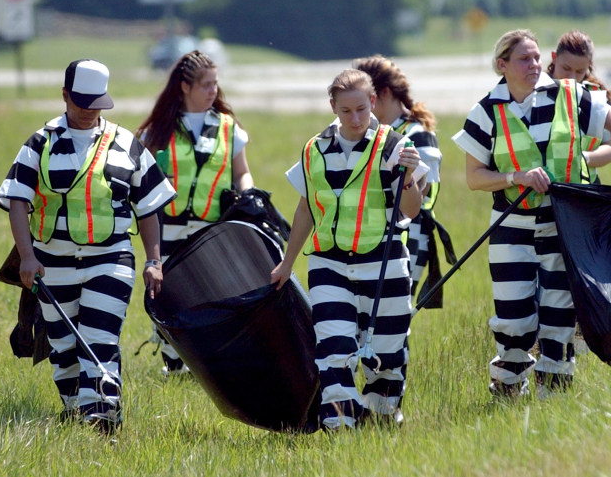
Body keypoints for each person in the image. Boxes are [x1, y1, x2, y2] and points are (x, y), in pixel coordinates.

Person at [452, 30, 611, 398]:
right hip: (511, 227)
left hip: (563, 226)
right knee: (514, 319)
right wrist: (515, 177)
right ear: (502, 65)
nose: (535, 65)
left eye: (537, 57)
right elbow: (474, 178)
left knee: (559, 314)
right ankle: (507, 387)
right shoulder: (485, 110)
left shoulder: (570, 95)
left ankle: (555, 393)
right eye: (524, 59)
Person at [0, 59, 176, 434]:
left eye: (97, 103)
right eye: (81, 102)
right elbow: (17, 200)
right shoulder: (39, 143)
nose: (90, 110)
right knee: (64, 347)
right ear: (64, 96)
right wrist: (26, 256)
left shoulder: (127, 144)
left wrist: (154, 260)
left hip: (110, 259)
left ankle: (104, 419)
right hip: (51, 262)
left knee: (99, 337)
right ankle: (77, 412)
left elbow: (148, 209)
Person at [270, 69, 427, 430]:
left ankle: (382, 415)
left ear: (373, 102)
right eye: (346, 111)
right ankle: (340, 426)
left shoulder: (395, 145)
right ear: (333, 108)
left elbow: (411, 211)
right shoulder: (315, 149)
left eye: (361, 109)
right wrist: (286, 263)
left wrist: (408, 178)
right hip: (330, 265)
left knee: (388, 354)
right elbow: (306, 207)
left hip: (383, 264)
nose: (355, 119)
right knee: (333, 350)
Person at [136, 50, 254, 376]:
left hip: (211, 230)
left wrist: (248, 194)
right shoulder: (159, 130)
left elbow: (241, 172)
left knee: (209, 297)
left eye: (216, 84)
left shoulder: (229, 129)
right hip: (167, 229)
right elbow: (141, 178)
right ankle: (173, 362)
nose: (213, 91)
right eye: (206, 84)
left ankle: (204, 363)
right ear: (185, 86)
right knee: (166, 297)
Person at [353, 55, 449, 303]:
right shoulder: (373, 133)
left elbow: (425, 196)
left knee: (392, 317)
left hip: (409, 239)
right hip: (374, 236)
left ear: (383, 93)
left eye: (365, 100)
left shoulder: (419, 134)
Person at [547, 30, 611, 183]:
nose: (571, 77)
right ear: (553, 58)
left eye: (579, 71)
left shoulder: (594, 98)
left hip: (583, 191)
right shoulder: (534, 91)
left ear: (589, 67)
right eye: (566, 68)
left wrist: (584, 158)